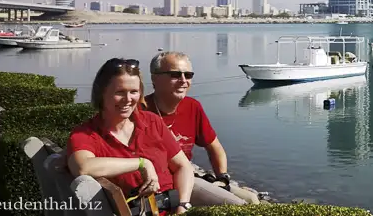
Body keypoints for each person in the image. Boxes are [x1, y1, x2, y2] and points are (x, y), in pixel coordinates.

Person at [67, 58, 195, 214]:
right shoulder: (86, 134)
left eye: (133, 92)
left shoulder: (152, 122)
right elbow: (82, 167)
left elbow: (183, 165)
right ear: (101, 93)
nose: (128, 99)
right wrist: (142, 163)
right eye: (120, 92)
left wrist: (183, 204)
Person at [145, 51, 260, 205]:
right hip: (167, 184)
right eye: (175, 75)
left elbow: (215, 147)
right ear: (154, 78)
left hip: (189, 176)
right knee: (237, 206)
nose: (183, 80)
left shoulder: (192, 107)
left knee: (252, 199)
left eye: (188, 75)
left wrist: (222, 178)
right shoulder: (141, 112)